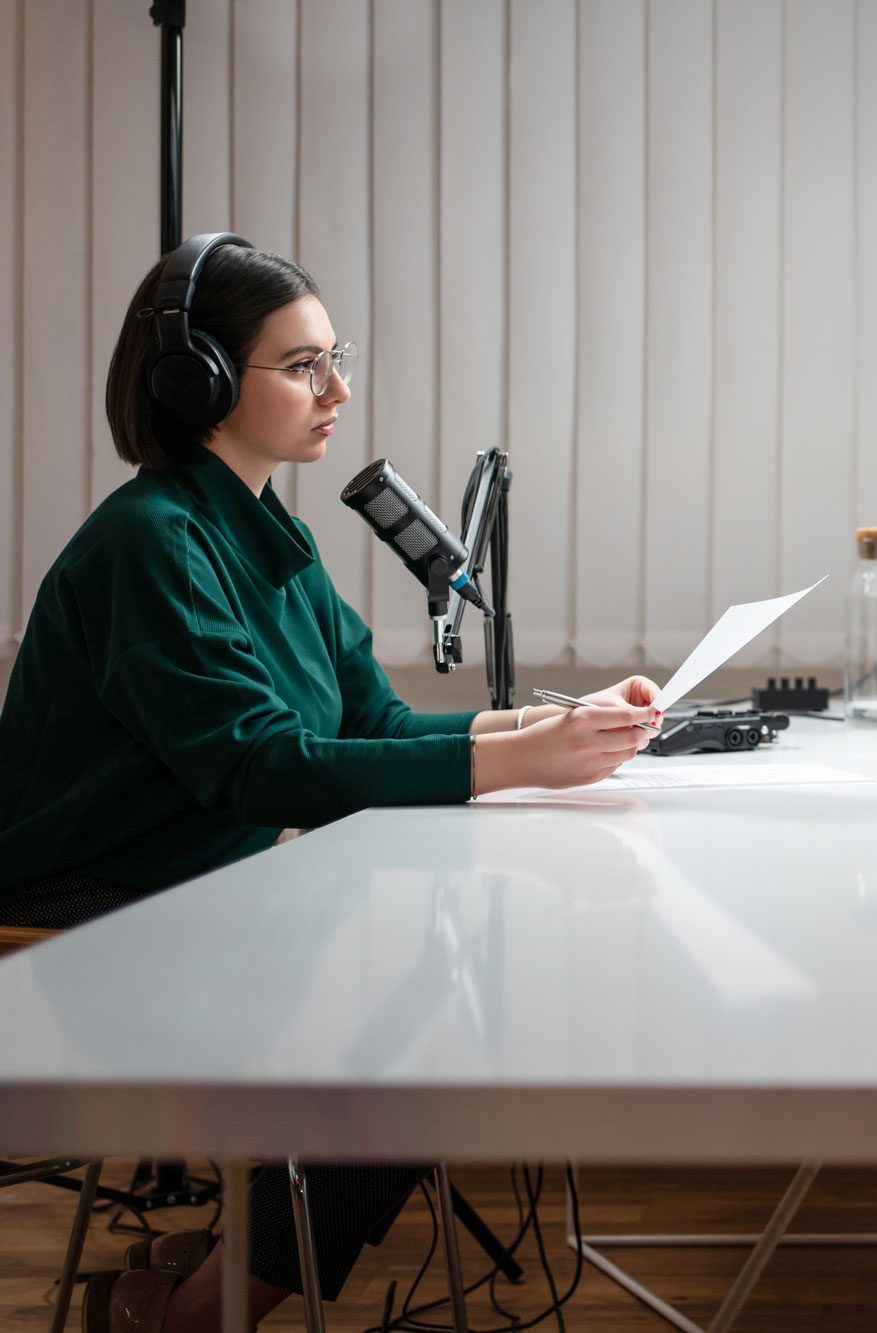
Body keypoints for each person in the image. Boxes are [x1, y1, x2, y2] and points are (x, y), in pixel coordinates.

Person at [0, 234, 661, 1331]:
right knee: (418, 1061)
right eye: (303, 365)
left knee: (434, 1023)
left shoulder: (271, 538)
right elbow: (257, 766)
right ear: (195, 380)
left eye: (333, 358)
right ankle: (198, 1312)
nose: (338, 389)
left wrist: (550, 724)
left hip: (206, 902)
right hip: (83, 925)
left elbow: (375, 725)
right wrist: (517, 759)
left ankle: (193, 1288)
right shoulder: (150, 544)